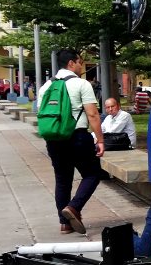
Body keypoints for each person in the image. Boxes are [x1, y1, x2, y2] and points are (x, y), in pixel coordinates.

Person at [37, 49, 104, 234]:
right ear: (71, 63)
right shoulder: (81, 84)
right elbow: (93, 114)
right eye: (80, 62)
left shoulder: (46, 86)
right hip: (78, 137)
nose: (81, 66)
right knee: (93, 174)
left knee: (62, 180)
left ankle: (65, 224)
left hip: (54, 139)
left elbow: (41, 113)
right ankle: (74, 207)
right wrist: (100, 140)